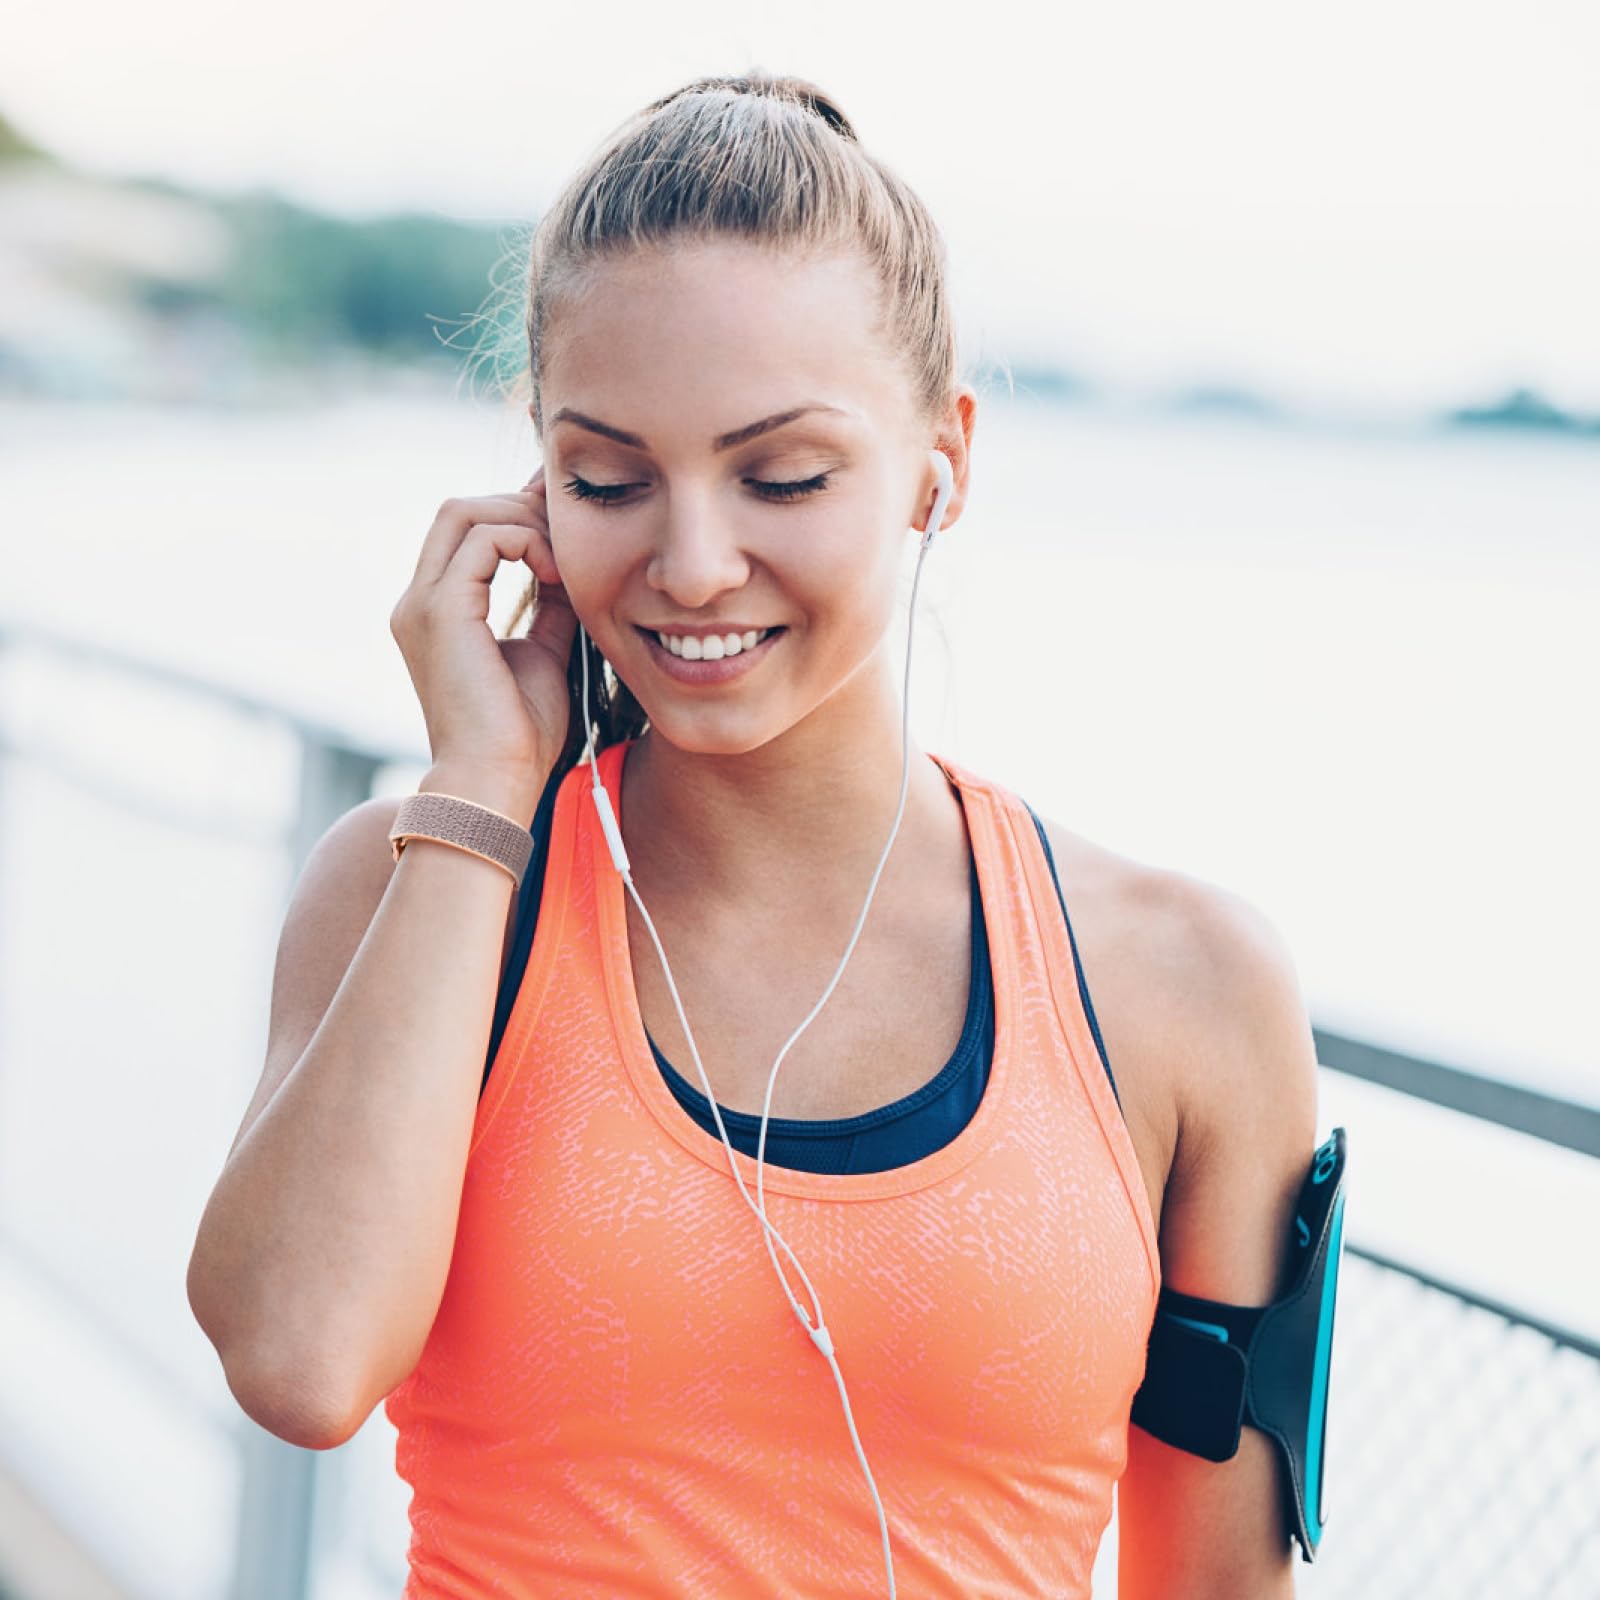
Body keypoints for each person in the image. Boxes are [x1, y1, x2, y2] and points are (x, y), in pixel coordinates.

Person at [187, 71, 1323, 1599]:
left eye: (781, 474)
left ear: (945, 463)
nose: (695, 562)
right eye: (609, 478)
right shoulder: (431, 888)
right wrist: (480, 785)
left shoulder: (1185, 993)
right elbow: (301, 1362)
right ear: (535, 481)